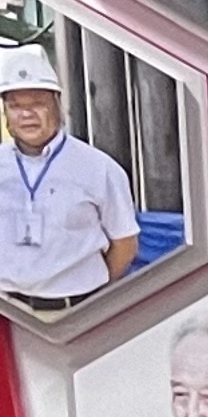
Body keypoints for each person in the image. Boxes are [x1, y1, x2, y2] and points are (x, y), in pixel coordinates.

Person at [0, 43, 139, 310]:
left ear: (57, 104)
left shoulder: (99, 168)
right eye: (15, 106)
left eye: (37, 103)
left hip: (75, 312)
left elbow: (125, 244)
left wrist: (90, 297)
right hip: (7, 313)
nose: (26, 114)